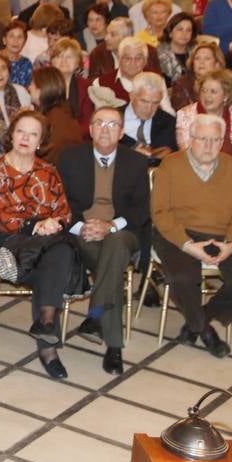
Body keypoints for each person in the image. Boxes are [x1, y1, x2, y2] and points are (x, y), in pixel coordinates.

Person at [151, 113, 232, 357]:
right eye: (202, 139)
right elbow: (160, 212)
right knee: (182, 276)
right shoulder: (171, 164)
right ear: (190, 138)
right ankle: (205, 331)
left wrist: (231, 245)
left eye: (215, 140)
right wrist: (189, 246)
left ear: (222, 141)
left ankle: (196, 322)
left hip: (222, 234)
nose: (209, 146)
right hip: (178, 232)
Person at [0, 111, 80, 379]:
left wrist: (54, 223)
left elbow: (63, 212)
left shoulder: (48, 172)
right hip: (5, 239)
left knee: (59, 250)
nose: (25, 138)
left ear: (41, 142)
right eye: (20, 132)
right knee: (56, 261)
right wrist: (34, 225)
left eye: (33, 134)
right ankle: (48, 345)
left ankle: (47, 323)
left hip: (44, 240)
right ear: (11, 135)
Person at [57, 107, 150, 375]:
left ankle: (97, 316)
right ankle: (113, 345)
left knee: (117, 244)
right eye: (100, 123)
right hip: (83, 233)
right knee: (114, 263)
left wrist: (109, 226)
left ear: (122, 132)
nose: (106, 129)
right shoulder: (71, 158)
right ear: (90, 128)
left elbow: (141, 210)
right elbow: (62, 203)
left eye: (113, 124)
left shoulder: (136, 162)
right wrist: (82, 227)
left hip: (123, 230)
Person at [174, 68, 232, 167]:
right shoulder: (185, 114)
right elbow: (187, 153)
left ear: (226, 96)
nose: (207, 96)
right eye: (204, 90)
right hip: (197, 172)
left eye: (213, 92)